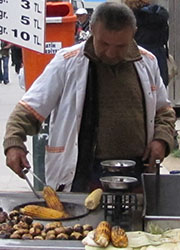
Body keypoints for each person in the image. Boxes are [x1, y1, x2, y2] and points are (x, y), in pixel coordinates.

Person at [3, 2, 176, 193]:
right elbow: (29, 109)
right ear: (92, 29)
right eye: (104, 43)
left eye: (120, 46)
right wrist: (14, 143)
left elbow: (164, 112)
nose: (111, 53)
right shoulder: (67, 62)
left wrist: (161, 140)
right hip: (83, 171)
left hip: (136, 170)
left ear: (133, 32)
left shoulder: (148, 62)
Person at [124, 0, 169, 87]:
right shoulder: (159, 13)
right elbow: (165, 37)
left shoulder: (130, 17)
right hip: (158, 53)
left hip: (138, 54)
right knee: (159, 85)